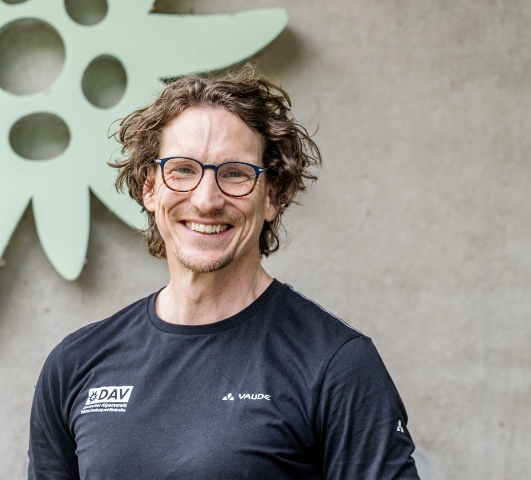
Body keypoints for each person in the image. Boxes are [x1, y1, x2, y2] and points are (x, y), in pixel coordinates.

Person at [28, 66, 420, 479]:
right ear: (149, 188)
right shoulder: (76, 364)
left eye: (235, 173)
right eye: (182, 169)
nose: (206, 200)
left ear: (272, 196)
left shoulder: (336, 365)